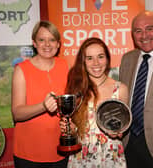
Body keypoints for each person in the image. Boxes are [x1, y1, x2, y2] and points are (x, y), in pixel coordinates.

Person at [60, 37, 129, 168]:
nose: (96, 63)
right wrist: (71, 129)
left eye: (100, 56)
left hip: (111, 157)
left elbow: (123, 125)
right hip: (82, 158)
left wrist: (119, 131)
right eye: (89, 58)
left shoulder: (120, 89)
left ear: (107, 59)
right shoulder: (76, 89)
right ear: (83, 62)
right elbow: (75, 128)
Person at [11, 20, 69, 168]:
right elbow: (17, 113)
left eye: (52, 40)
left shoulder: (65, 66)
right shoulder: (21, 69)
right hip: (28, 155)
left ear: (58, 44)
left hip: (60, 151)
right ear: (34, 43)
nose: (47, 44)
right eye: (42, 40)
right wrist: (42, 106)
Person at [119, 10, 153, 168]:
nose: (144, 35)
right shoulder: (127, 59)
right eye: (138, 31)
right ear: (132, 35)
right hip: (129, 140)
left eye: (149, 28)